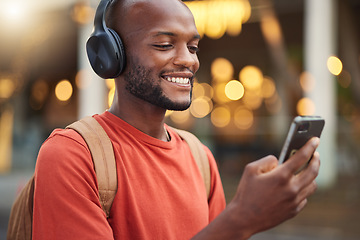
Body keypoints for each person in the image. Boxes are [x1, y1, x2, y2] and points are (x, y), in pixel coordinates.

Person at [32, 0, 321, 239]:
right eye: (165, 45)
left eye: (193, 47)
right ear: (111, 56)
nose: (189, 60)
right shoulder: (71, 156)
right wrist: (241, 219)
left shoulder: (200, 158)